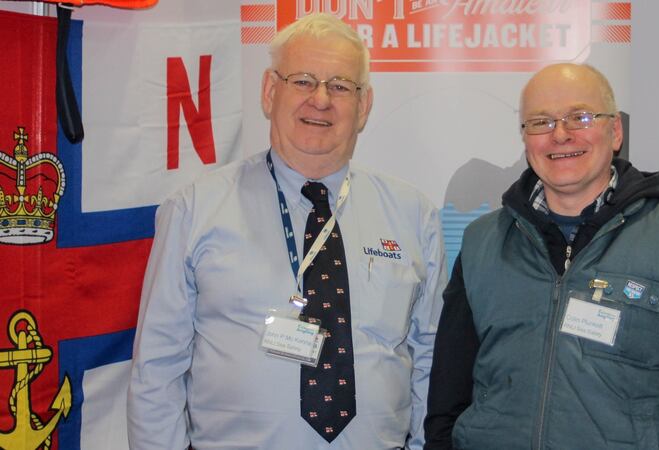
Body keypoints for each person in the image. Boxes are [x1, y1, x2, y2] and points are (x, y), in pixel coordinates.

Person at [128, 13, 447, 450]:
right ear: (269, 91)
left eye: (340, 86)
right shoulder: (195, 209)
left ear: (364, 105)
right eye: (302, 81)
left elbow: (432, 361)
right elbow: (156, 369)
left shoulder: (413, 215)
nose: (320, 100)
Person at [423, 63, 659, 449]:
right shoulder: (482, 243)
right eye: (541, 122)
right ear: (526, 139)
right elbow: (447, 401)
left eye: (579, 117)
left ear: (615, 132)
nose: (560, 135)